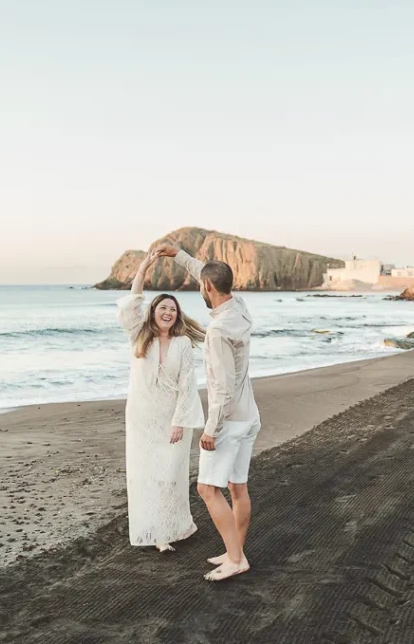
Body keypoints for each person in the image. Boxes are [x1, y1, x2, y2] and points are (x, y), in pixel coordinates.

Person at [157, 243, 260, 582]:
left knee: (206, 489)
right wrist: (181, 256)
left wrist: (211, 430)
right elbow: (209, 273)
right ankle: (236, 552)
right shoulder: (239, 307)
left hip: (228, 421)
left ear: (207, 288)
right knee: (237, 486)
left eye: (203, 284)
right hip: (249, 417)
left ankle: (235, 559)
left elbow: (222, 388)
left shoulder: (216, 333)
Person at [116, 249, 206, 552]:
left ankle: (173, 526)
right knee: (145, 475)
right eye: (163, 307)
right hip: (142, 417)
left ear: (177, 315)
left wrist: (180, 421)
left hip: (172, 417)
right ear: (153, 311)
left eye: (173, 309)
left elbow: (187, 386)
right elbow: (132, 302)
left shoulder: (182, 343)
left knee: (170, 475)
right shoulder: (139, 336)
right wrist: (145, 266)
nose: (168, 312)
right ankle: (155, 533)